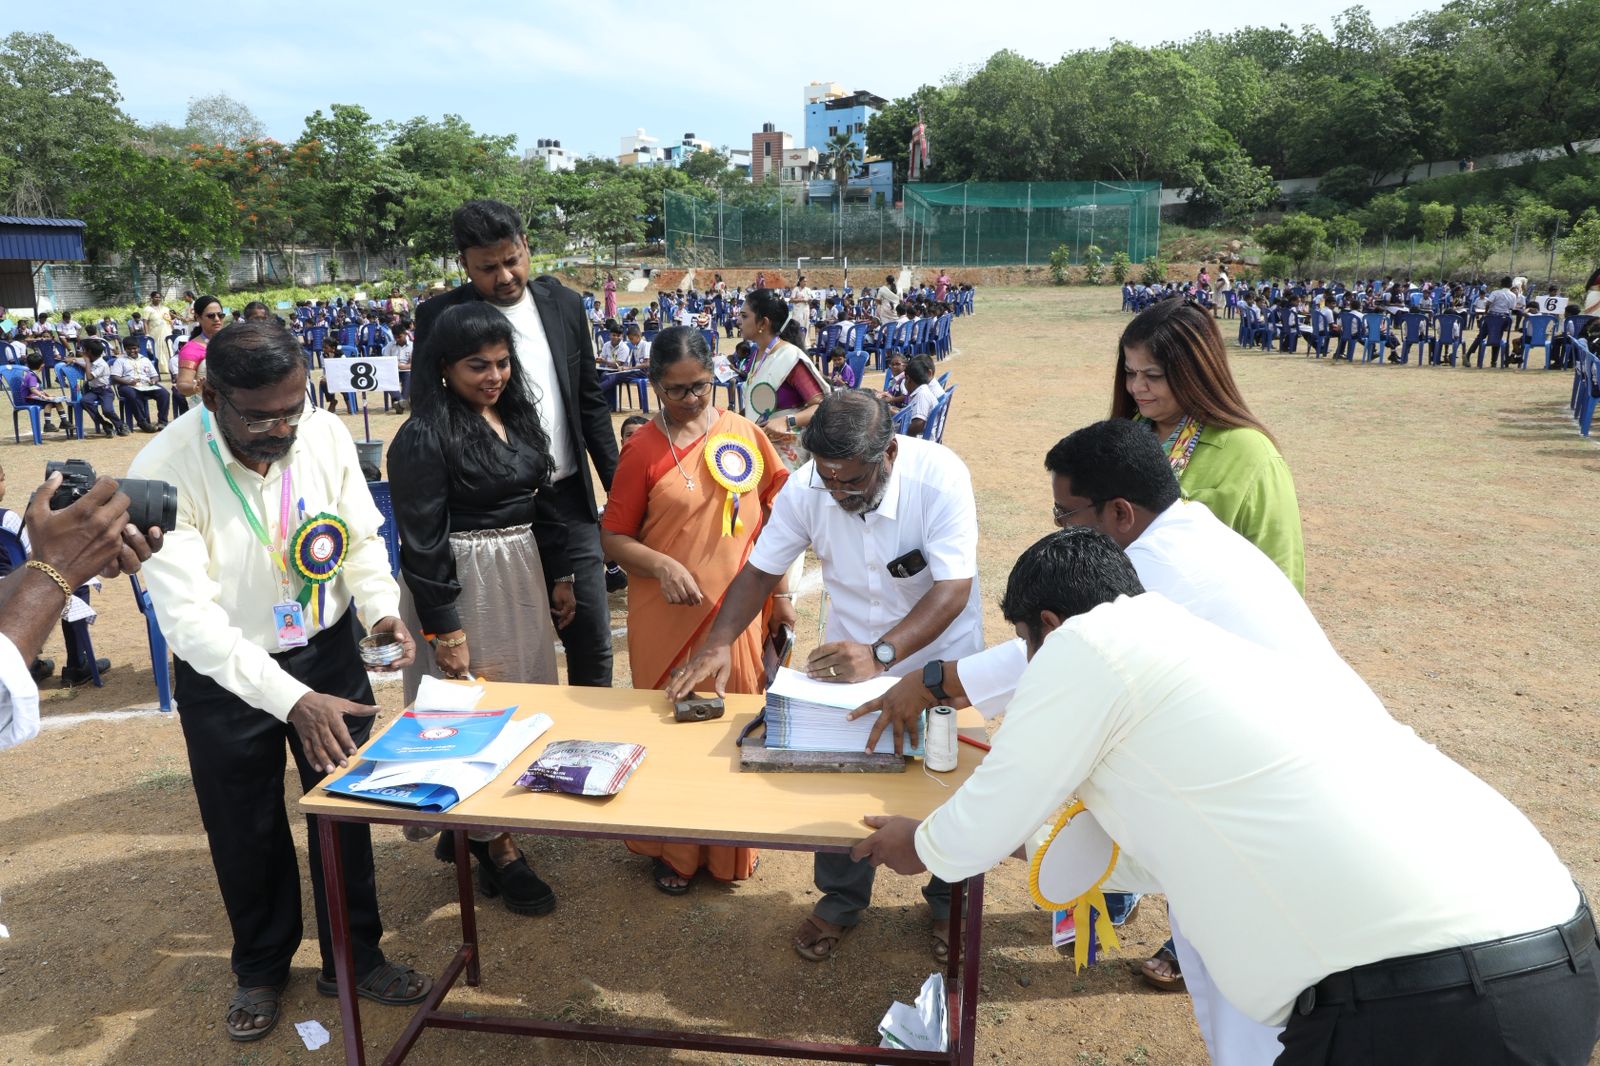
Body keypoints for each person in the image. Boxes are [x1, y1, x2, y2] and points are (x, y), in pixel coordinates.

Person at [853, 527, 1600, 1066]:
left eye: (1028, 647)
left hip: (1422, 1005)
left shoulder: (1086, 644)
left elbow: (984, 817)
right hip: (1557, 955)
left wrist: (919, 846)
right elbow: (1155, 854)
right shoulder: (1205, 652)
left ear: (1046, 625)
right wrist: (1030, 844)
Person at [851, 418, 1349, 1064]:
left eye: (1066, 516)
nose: (1060, 531)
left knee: (1257, 1033)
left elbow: (1045, 697)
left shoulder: (1150, 575)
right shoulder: (1189, 538)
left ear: (1119, 511)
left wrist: (927, 828)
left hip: (1269, 850)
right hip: (1275, 810)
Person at [128, 321, 431, 1043]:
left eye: (293, 407)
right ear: (211, 395)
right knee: (245, 826)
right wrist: (291, 701)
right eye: (261, 416)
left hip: (326, 652)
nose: (282, 428)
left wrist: (382, 610)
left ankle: (353, 957)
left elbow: (358, 537)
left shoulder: (321, 435)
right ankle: (262, 968)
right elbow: (192, 627)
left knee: (344, 809)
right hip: (225, 673)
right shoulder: (160, 471)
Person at [667, 390, 984, 963]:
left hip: (937, 657)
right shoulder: (807, 486)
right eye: (829, 480)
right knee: (842, 775)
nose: (837, 493)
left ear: (888, 452)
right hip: (850, 659)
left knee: (943, 782)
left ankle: (946, 900)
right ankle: (841, 901)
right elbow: (759, 572)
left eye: (853, 482)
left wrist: (883, 654)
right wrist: (717, 644)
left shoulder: (939, 479)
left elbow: (953, 590)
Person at [390, 302, 572, 916]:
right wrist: (445, 627)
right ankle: (499, 851)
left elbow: (540, 502)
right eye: (477, 366)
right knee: (477, 709)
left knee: (519, 702)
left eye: (501, 362)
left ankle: (474, 826)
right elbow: (419, 537)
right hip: (464, 586)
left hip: (519, 576)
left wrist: (560, 575)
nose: (493, 376)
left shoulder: (515, 414)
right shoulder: (423, 434)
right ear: (443, 367)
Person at [600, 327, 792, 894]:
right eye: (676, 390)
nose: (690, 400)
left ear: (715, 376)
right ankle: (675, 851)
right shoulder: (642, 449)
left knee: (733, 728)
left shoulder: (745, 434)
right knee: (672, 732)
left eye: (700, 387)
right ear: (654, 386)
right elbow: (613, 537)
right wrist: (660, 565)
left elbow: (781, 525)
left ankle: (732, 848)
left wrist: (779, 597)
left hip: (737, 614)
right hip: (666, 617)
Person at [415, 199, 619, 688]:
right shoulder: (441, 316)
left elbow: (590, 406)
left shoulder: (564, 305)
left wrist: (622, 489)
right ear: (463, 263)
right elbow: (427, 413)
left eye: (512, 260)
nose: (505, 276)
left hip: (567, 502)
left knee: (591, 638)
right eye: (488, 268)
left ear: (526, 246)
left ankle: (592, 747)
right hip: (489, 517)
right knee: (501, 656)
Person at [1111, 297, 1304, 593]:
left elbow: (1281, 578)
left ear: (1196, 372)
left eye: (1153, 375)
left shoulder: (1252, 455)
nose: (1136, 387)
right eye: (1130, 372)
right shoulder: (1122, 437)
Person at [0, 470, 163, 750]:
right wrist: (55, 568)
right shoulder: (7, 520)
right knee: (76, 590)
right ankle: (77, 662)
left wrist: (57, 560)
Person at [737, 288, 830, 470]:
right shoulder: (758, 353)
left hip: (788, 458)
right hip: (761, 447)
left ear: (763, 322)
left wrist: (787, 421)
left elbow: (820, 407)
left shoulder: (789, 357)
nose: (738, 321)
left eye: (744, 316)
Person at [109, 335, 167, 432]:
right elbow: (114, 377)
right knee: (133, 395)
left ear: (139, 348)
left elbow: (155, 376)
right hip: (127, 386)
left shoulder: (145, 359)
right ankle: (142, 422)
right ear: (125, 349)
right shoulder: (120, 360)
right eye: (129, 349)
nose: (132, 351)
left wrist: (153, 381)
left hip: (145, 385)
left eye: (134, 348)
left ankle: (162, 421)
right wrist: (129, 382)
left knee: (164, 393)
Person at [175, 295, 226, 400]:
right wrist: (196, 387)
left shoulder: (232, 342)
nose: (217, 319)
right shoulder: (191, 349)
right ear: (198, 318)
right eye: (211, 316)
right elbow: (182, 385)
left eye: (220, 315)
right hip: (206, 406)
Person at [19, 351, 71, 436]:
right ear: (42, 366)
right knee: (49, 402)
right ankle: (47, 424)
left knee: (56, 401)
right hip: (28, 399)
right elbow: (33, 389)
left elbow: (37, 389)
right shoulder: (31, 376)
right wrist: (43, 397)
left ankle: (64, 421)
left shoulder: (31, 374)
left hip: (32, 397)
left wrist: (47, 395)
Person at [901, 355, 943, 437]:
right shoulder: (922, 390)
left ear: (908, 379)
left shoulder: (922, 395)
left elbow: (919, 424)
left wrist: (903, 434)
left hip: (921, 439)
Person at [383, 323, 413, 413]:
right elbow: (386, 361)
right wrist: (398, 366)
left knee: (409, 376)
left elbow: (414, 364)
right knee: (384, 380)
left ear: (405, 334)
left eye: (399, 337)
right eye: (395, 337)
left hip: (407, 371)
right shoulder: (390, 345)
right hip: (393, 371)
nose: (397, 339)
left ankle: (400, 403)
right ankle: (402, 401)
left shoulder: (412, 345)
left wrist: (401, 366)